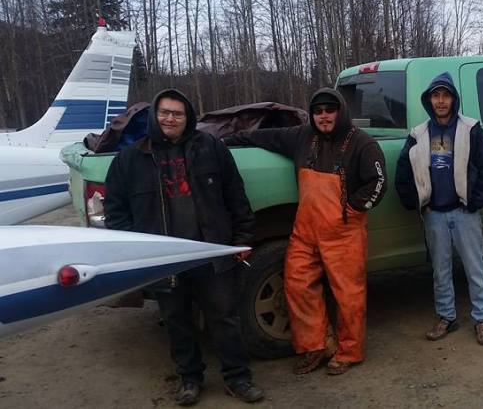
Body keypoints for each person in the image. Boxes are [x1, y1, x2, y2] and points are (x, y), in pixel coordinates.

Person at [104, 89, 263, 406]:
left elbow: (236, 195)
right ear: (154, 115)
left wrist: (242, 238)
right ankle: (190, 379)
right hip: (166, 259)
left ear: (188, 118)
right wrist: (136, 249)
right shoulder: (131, 159)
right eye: (165, 112)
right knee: (176, 321)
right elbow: (115, 211)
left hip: (210, 251)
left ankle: (238, 378)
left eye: (178, 113)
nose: (170, 118)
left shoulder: (211, 148)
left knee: (225, 318)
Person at [226, 88, 387, 375]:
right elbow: (263, 137)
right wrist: (226, 141)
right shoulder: (302, 136)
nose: (324, 116)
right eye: (318, 111)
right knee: (297, 284)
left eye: (329, 109)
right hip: (306, 230)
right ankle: (317, 346)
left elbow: (378, 183)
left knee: (348, 294)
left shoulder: (363, 144)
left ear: (340, 112)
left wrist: (351, 209)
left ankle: (350, 351)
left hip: (343, 232)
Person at [395, 72, 483, 345]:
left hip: (464, 213)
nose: (441, 101)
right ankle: (446, 317)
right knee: (440, 270)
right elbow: (404, 171)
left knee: (475, 268)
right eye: (435, 96)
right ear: (429, 100)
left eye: (446, 95)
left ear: (454, 98)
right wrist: (418, 203)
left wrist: (474, 202)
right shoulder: (419, 134)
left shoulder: (470, 128)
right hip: (435, 215)